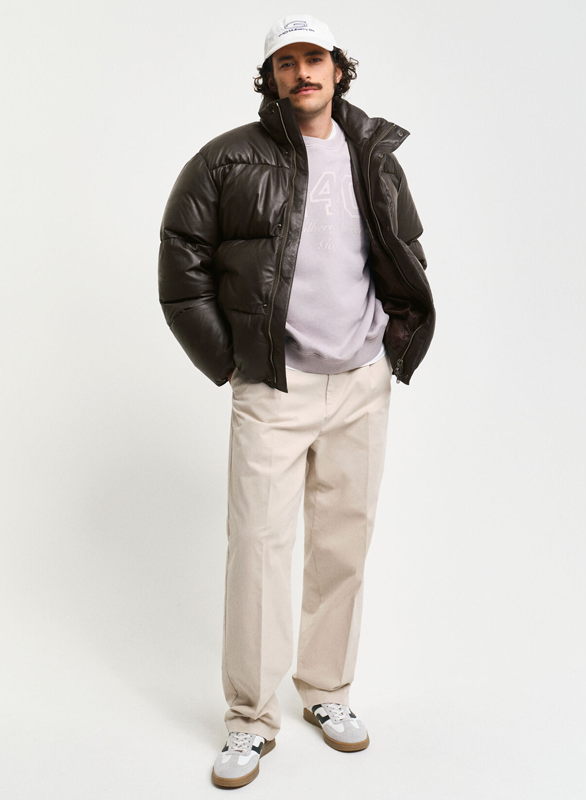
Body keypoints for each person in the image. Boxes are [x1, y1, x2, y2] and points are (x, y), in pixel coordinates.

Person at [158, 13, 435, 789]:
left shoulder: (375, 156)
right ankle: (250, 719)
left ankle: (327, 690)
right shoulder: (225, 160)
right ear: (271, 76)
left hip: (361, 384)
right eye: (286, 61)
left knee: (344, 545)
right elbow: (180, 261)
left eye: (314, 57)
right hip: (273, 388)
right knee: (258, 550)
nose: (301, 72)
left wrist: (391, 342)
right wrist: (234, 365)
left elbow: (406, 249)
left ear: (339, 68)